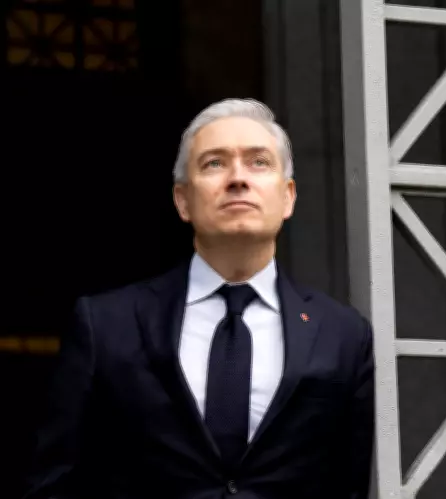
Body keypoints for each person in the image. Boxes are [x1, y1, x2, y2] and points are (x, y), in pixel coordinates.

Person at [20, 98, 375, 499]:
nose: (238, 179)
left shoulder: (344, 335)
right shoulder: (105, 324)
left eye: (259, 162)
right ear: (182, 200)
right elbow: (54, 482)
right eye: (214, 163)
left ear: (288, 197)